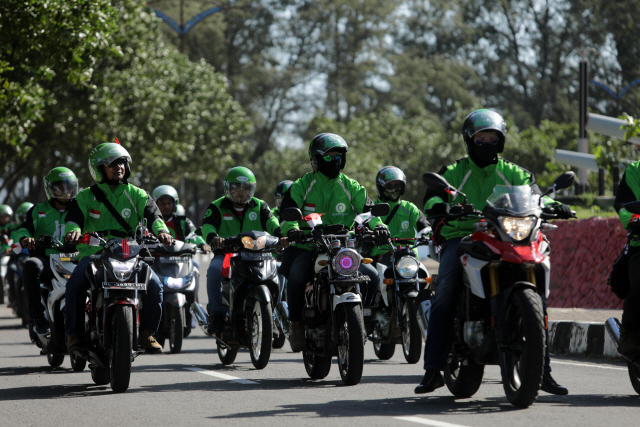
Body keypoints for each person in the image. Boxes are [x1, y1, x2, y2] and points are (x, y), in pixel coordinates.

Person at [415, 109, 574, 395]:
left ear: (501, 141)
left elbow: (536, 194)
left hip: (508, 237)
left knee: (537, 296)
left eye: (492, 137)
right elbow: (434, 196)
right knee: (446, 291)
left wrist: (553, 204)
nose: (487, 142)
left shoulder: (514, 172)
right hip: (461, 237)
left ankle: (543, 371)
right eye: (481, 137)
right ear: (469, 140)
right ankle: (434, 370)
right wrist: (439, 207)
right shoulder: (453, 172)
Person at [280, 133, 390, 351]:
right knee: (297, 276)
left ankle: (360, 318)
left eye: (339, 156)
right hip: (308, 246)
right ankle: (297, 325)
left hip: (343, 247)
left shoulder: (351, 186)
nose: (335, 160)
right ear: (316, 160)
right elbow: (286, 215)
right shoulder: (303, 185)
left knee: (372, 275)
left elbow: (369, 212)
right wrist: (293, 231)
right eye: (329, 157)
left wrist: (380, 227)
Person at [64, 141, 173, 354]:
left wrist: (162, 232)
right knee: (75, 284)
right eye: (112, 164)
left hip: (129, 254)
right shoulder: (86, 196)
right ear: (99, 169)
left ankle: (147, 332)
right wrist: (74, 231)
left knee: (156, 286)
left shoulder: (138, 194)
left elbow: (154, 216)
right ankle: (73, 333)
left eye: (122, 163)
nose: (119, 167)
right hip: (95, 255)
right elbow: (73, 219)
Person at [201, 166, 284, 334]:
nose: (241, 192)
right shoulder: (217, 206)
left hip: (258, 254)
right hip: (227, 253)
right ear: (228, 188)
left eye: (246, 188)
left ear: (251, 189)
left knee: (280, 270)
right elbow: (208, 226)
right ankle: (217, 314)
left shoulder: (261, 206)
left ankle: (273, 314)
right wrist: (213, 238)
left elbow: (272, 222)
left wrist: (281, 236)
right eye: (235, 187)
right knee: (214, 269)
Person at [15, 169, 76, 335]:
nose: (65, 191)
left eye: (69, 187)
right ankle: (38, 317)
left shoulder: (79, 209)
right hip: (47, 260)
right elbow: (24, 229)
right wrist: (26, 239)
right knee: (30, 265)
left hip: (74, 260)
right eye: (60, 187)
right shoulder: (38, 209)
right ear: (50, 189)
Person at [368, 166, 430, 266]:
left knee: (424, 275)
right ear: (380, 187)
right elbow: (368, 221)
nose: (393, 189)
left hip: (408, 258)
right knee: (372, 279)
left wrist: (425, 235)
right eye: (389, 186)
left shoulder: (410, 208)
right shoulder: (372, 208)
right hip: (380, 257)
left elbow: (424, 226)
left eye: (397, 185)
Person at [613, 160, 640, 358]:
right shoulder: (635, 170)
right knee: (639, 287)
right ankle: (628, 332)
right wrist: (634, 220)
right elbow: (623, 205)